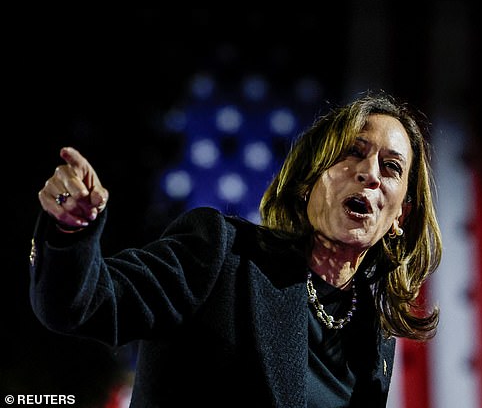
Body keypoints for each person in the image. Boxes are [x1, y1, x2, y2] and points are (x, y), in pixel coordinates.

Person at [29, 90, 443, 407]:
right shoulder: (222, 254)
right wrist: (72, 230)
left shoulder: (372, 334)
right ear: (307, 183)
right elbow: (84, 304)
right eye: (352, 153)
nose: (370, 173)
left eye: (391, 168)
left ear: (399, 217)